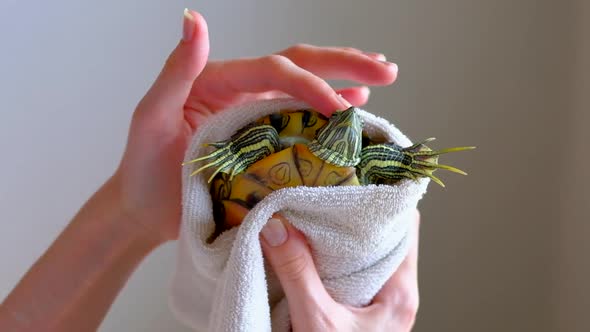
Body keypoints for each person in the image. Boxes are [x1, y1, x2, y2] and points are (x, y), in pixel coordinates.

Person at [0, 9, 420, 332]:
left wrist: (130, 214)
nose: (346, 121)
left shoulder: (363, 164)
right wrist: (136, 210)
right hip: (240, 188)